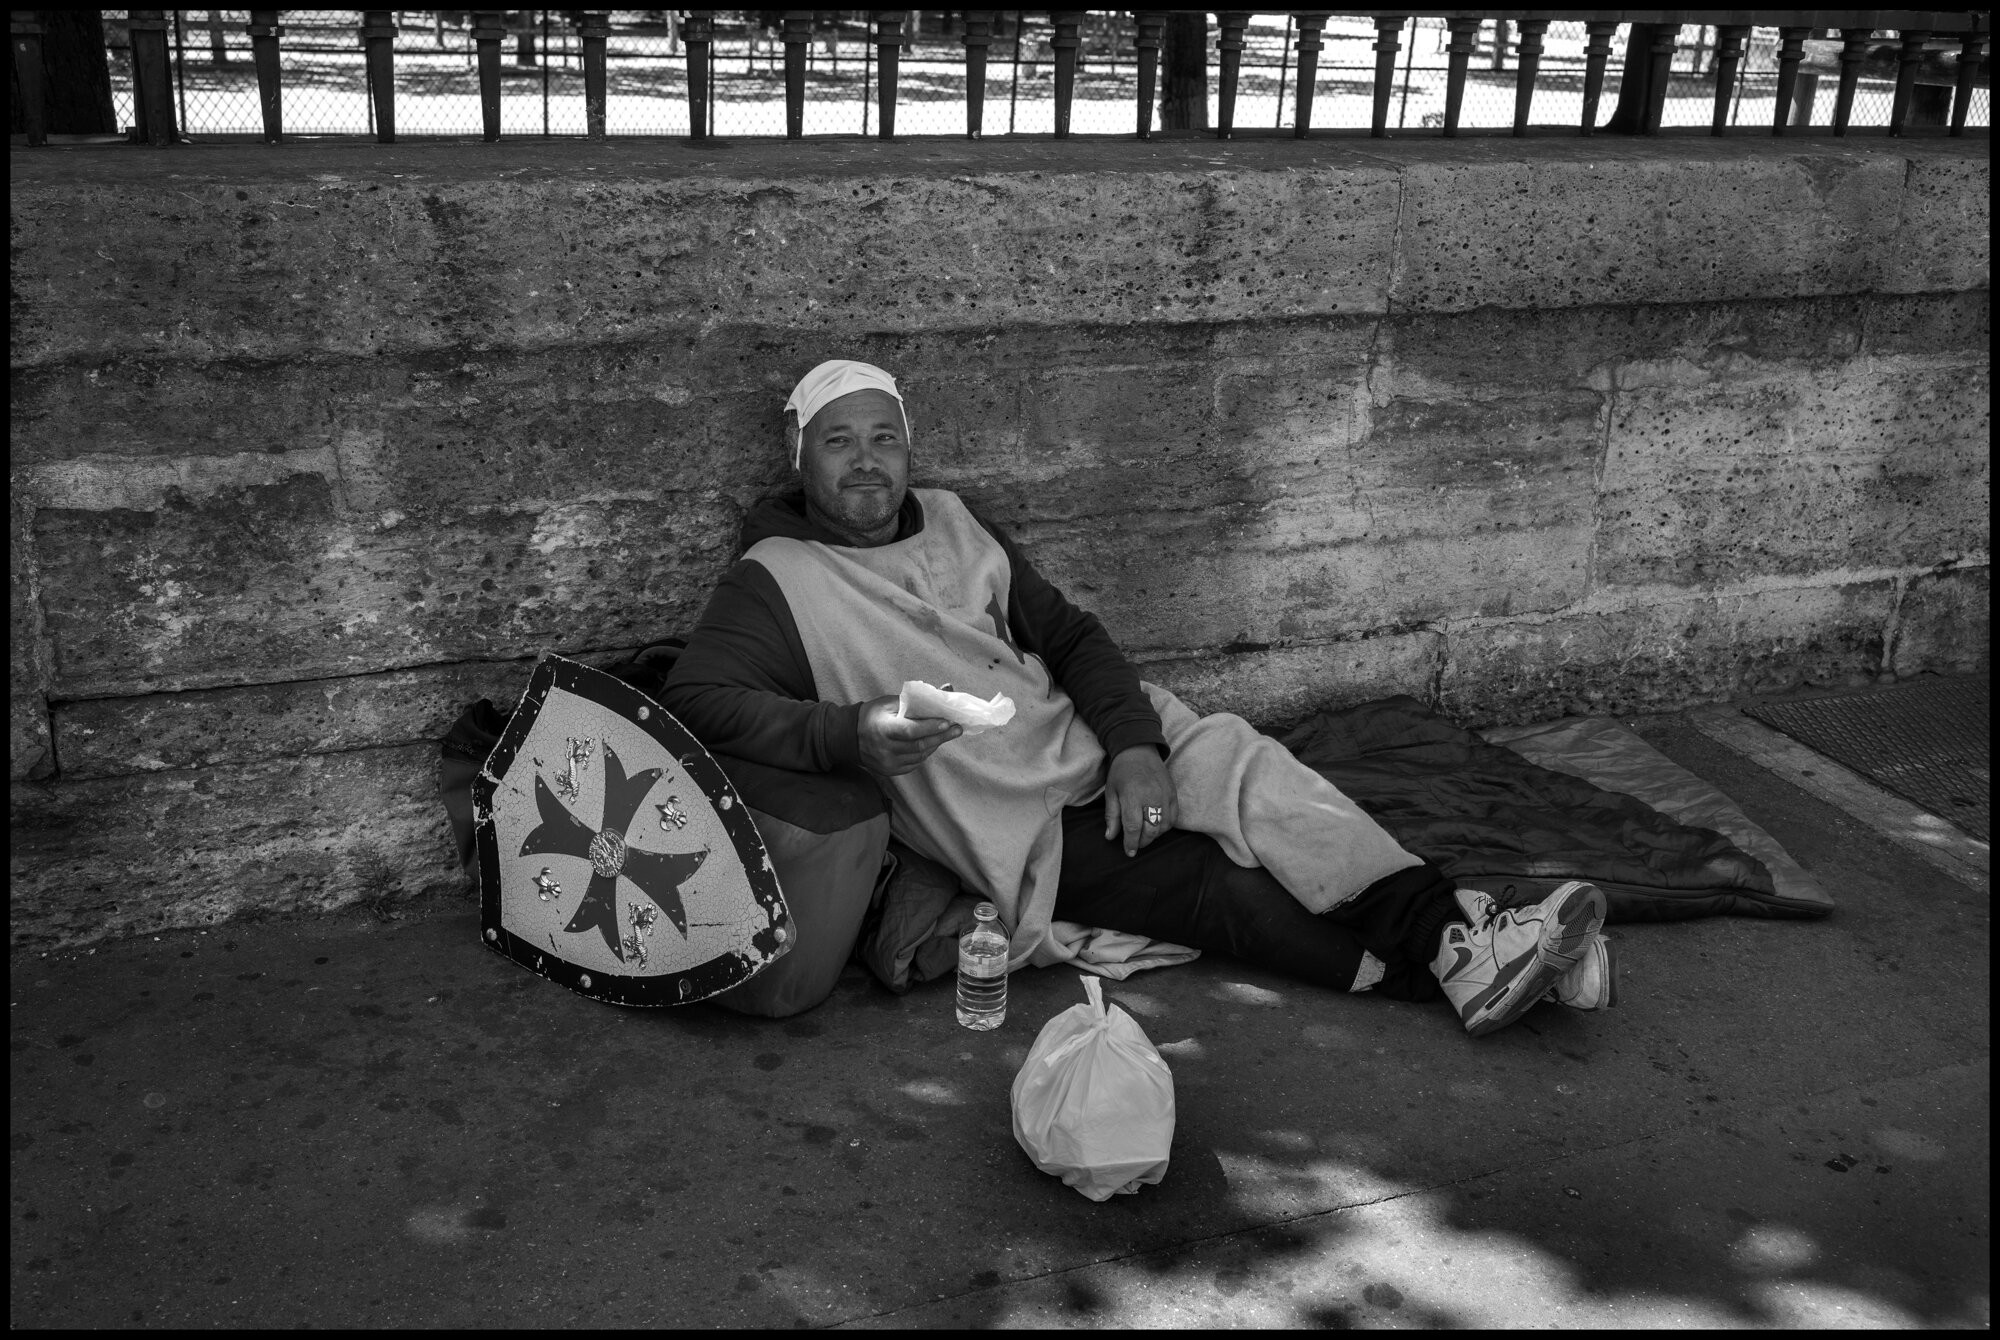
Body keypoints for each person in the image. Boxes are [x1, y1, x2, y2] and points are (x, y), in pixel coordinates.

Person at [662, 360, 1617, 1036]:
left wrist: (1133, 747)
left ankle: (1465, 942)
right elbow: (697, 699)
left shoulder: (953, 519)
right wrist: (848, 732)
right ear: (801, 456)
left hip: (1093, 738)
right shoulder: (776, 577)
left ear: (910, 448)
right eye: (839, 442)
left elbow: (1070, 636)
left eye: (884, 438)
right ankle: (1482, 966)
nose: (866, 461)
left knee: (1267, 783)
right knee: (1216, 891)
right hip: (1015, 818)